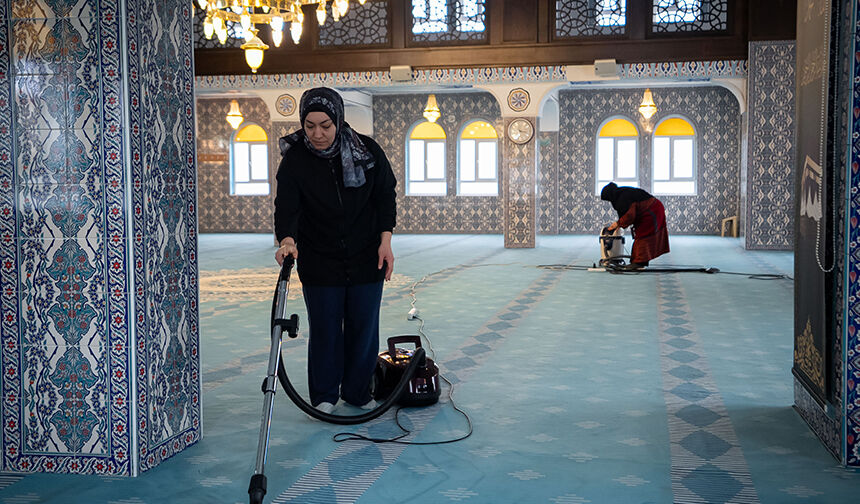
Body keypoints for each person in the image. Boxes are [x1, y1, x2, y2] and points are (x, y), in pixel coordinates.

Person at [274, 87, 396, 414]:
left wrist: (385, 241)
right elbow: (286, 206)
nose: (317, 134)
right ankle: (324, 395)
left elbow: (385, 196)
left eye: (325, 125)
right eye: (310, 126)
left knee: (363, 327)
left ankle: (357, 392)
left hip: (367, 254)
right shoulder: (296, 160)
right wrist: (287, 240)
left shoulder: (367, 151)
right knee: (325, 328)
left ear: (339, 120)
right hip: (319, 257)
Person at [600, 182, 669, 269]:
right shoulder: (622, 193)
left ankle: (639, 263)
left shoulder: (623, 197)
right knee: (642, 236)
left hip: (652, 210)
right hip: (653, 208)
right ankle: (640, 261)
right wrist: (619, 223)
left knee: (643, 236)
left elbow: (629, 215)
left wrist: (618, 224)